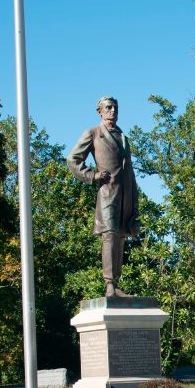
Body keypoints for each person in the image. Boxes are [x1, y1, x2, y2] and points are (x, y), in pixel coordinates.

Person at [66, 95, 140, 298]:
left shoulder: (123, 137)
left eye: (115, 108)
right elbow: (73, 159)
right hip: (107, 193)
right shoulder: (93, 133)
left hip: (125, 194)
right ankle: (109, 284)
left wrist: (135, 203)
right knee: (109, 236)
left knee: (121, 238)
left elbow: (130, 172)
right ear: (100, 111)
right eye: (108, 108)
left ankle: (116, 284)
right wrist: (92, 175)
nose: (113, 111)